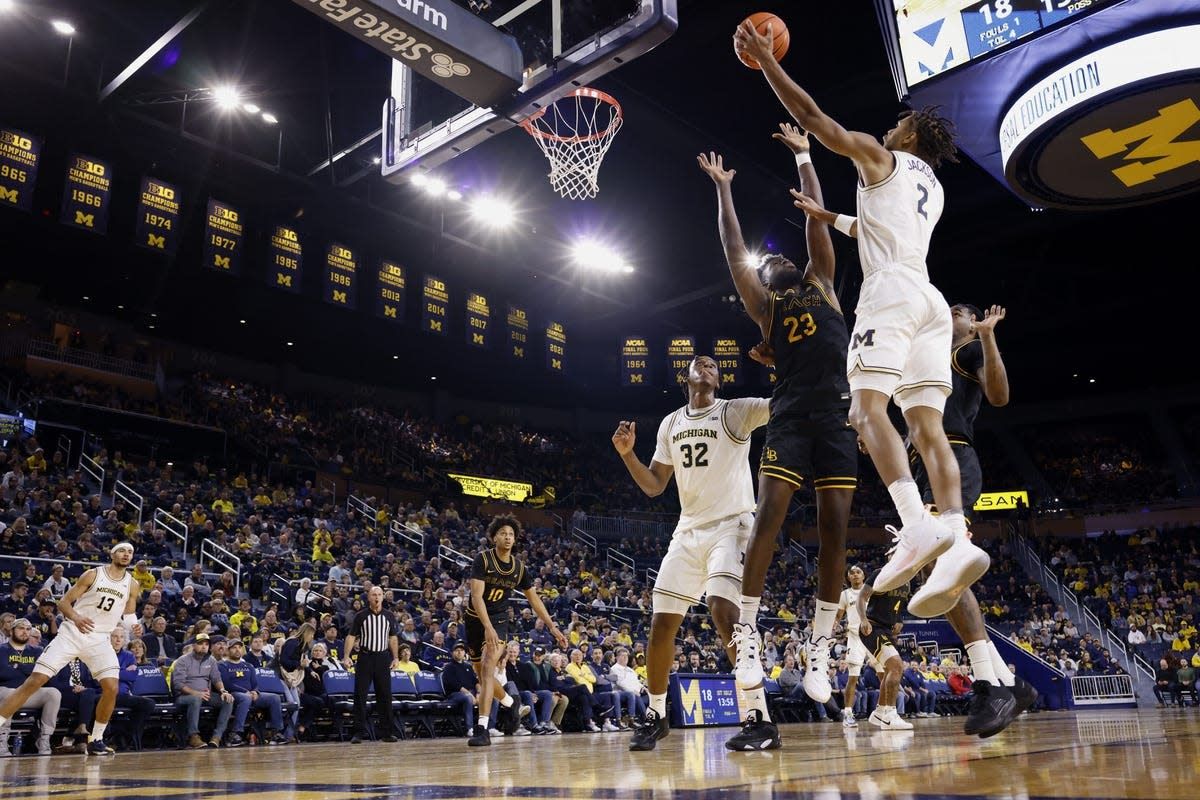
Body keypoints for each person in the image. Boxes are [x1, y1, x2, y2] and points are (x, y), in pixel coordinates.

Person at [734, 22, 988, 610]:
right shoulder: (934, 189)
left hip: (891, 293)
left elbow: (819, 120)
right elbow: (884, 229)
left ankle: (914, 522)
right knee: (927, 426)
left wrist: (768, 63)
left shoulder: (881, 155)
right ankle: (955, 536)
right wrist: (831, 217)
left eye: (899, 124)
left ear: (912, 135)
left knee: (864, 409)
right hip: (926, 295)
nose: (889, 127)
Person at [697, 125, 856, 722]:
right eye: (772, 262)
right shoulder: (766, 307)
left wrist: (805, 155)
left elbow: (816, 219)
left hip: (837, 417)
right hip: (789, 416)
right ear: (763, 283)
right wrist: (723, 190)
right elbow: (732, 247)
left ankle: (819, 647)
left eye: (782, 254)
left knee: (836, 534)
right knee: (769, 521)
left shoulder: (822, 282)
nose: (779, 258)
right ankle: (748, 637)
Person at [612, 352, 778, 751]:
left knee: (723, 609)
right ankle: (656, 714)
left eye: (714, 367)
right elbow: (654, 486)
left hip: (732, 524)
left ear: (718, 382)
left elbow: (785, 402)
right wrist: (627, 454)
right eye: (700, 363)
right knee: (661, 623)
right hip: (688, 531)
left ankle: (759, 717)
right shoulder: (671, 423)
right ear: (684, 376)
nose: (708, 367)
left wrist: (780, 364)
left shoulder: (736, 412)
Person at [904, 302, 1035, 736]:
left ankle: (988, 683)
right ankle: (1009, 684)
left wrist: (986, 335)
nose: (951, 312)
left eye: (960, 309)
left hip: (952, 461)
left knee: (942, 566)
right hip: (929, 465)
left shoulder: (966, 352)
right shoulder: (931, 363)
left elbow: (999, 396)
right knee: (941, 575)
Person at [0, 542, 139, 756]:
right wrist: (76, 617)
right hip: (73, 633)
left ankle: (96, 739)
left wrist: (134, 625)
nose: (126, 554)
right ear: (112, 554)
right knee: (35, 681)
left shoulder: (132, 583)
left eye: (130, 552)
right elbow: (64, 603)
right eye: (122, 550)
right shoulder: (92, 575)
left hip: (100, 639)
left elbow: (129, 614)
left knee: (111, 687)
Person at [463, 514, 567, 747]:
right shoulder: (483, 560)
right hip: (475, 620)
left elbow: (535, 601)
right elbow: (476, 597)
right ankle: (512, 703)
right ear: (494, 537)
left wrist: (552, 627)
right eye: (503, 534)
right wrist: (486, 626)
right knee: (482, 675)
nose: (508, 537)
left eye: (511, 534)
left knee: (489, 667)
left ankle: (483, 728)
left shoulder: (520, 569)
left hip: (499, 620)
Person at [853, 573, 914, 731]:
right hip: (873, 627)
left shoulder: (907, 581)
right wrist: (863, 619)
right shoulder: (880, 573)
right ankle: (890, 716)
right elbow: (861, 598)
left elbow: (899, 605)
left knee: (889, 671)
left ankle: (880, 712)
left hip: (887, 630)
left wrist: (899, 620)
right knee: (897, 667)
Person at [342, 585, 400, 744]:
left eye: (379, 594)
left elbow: (393, 638)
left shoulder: (389, 616)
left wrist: (395, 657)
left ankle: (387, 732)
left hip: (383, 658)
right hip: (365, 658)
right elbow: (351, 636)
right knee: (360, 695)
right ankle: (358, 732)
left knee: (385, 695)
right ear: (368, 597)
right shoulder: (361, 616)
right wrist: (346, 656)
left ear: (383, 597)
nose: (377, 597)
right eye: (374, 594)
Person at [0, 618, 61, 755]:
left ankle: (44, 739)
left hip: (28, 693)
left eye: (28, 629)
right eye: (21, 628)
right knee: (10, 693)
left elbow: (42, 674)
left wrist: (17, 667)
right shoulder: (2, 650)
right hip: (4, 692)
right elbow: (3, 673)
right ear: (12, 631)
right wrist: (28, 670)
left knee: (53, 693)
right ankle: (2, 740)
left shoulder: (37, 650)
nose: (25, 632)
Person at [170, 632, 236, 748]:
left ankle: (217, 736)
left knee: (228, 700)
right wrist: (196, 693)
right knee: (195, 699)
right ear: (194, 645)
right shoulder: (182, 661)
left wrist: (223, 691)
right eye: (200, 644)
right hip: (183, 697)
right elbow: (178, 684)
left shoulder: (211, 660)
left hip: (205, 695)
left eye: (206, 644)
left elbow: (216, 678)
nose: (204, 646)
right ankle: (193, 736)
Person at [220, 638, 287, 746]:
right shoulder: (223, 666)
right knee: (245, 698)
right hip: (234, 694)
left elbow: (255, 683)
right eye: (234, 648)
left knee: (274, 698)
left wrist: (255, 691)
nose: (237, 650)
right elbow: (227, 684)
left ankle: (276, 732)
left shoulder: (248, 666)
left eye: (239, 647)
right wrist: (246, 692)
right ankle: (235, 733)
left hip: (251, 694)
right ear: (228, 651)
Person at [835, 565, 867, 728]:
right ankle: (848, 713)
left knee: (884, 674)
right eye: (852, 573)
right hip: (855, 637)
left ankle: (886, 711)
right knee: (853, 677)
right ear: (848, 577)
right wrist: (835, 626)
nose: (855, 575)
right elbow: (838, 617)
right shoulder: (845, 595)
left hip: (874, 636)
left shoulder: (872, 591)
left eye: (858, 572)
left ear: (863, 576)